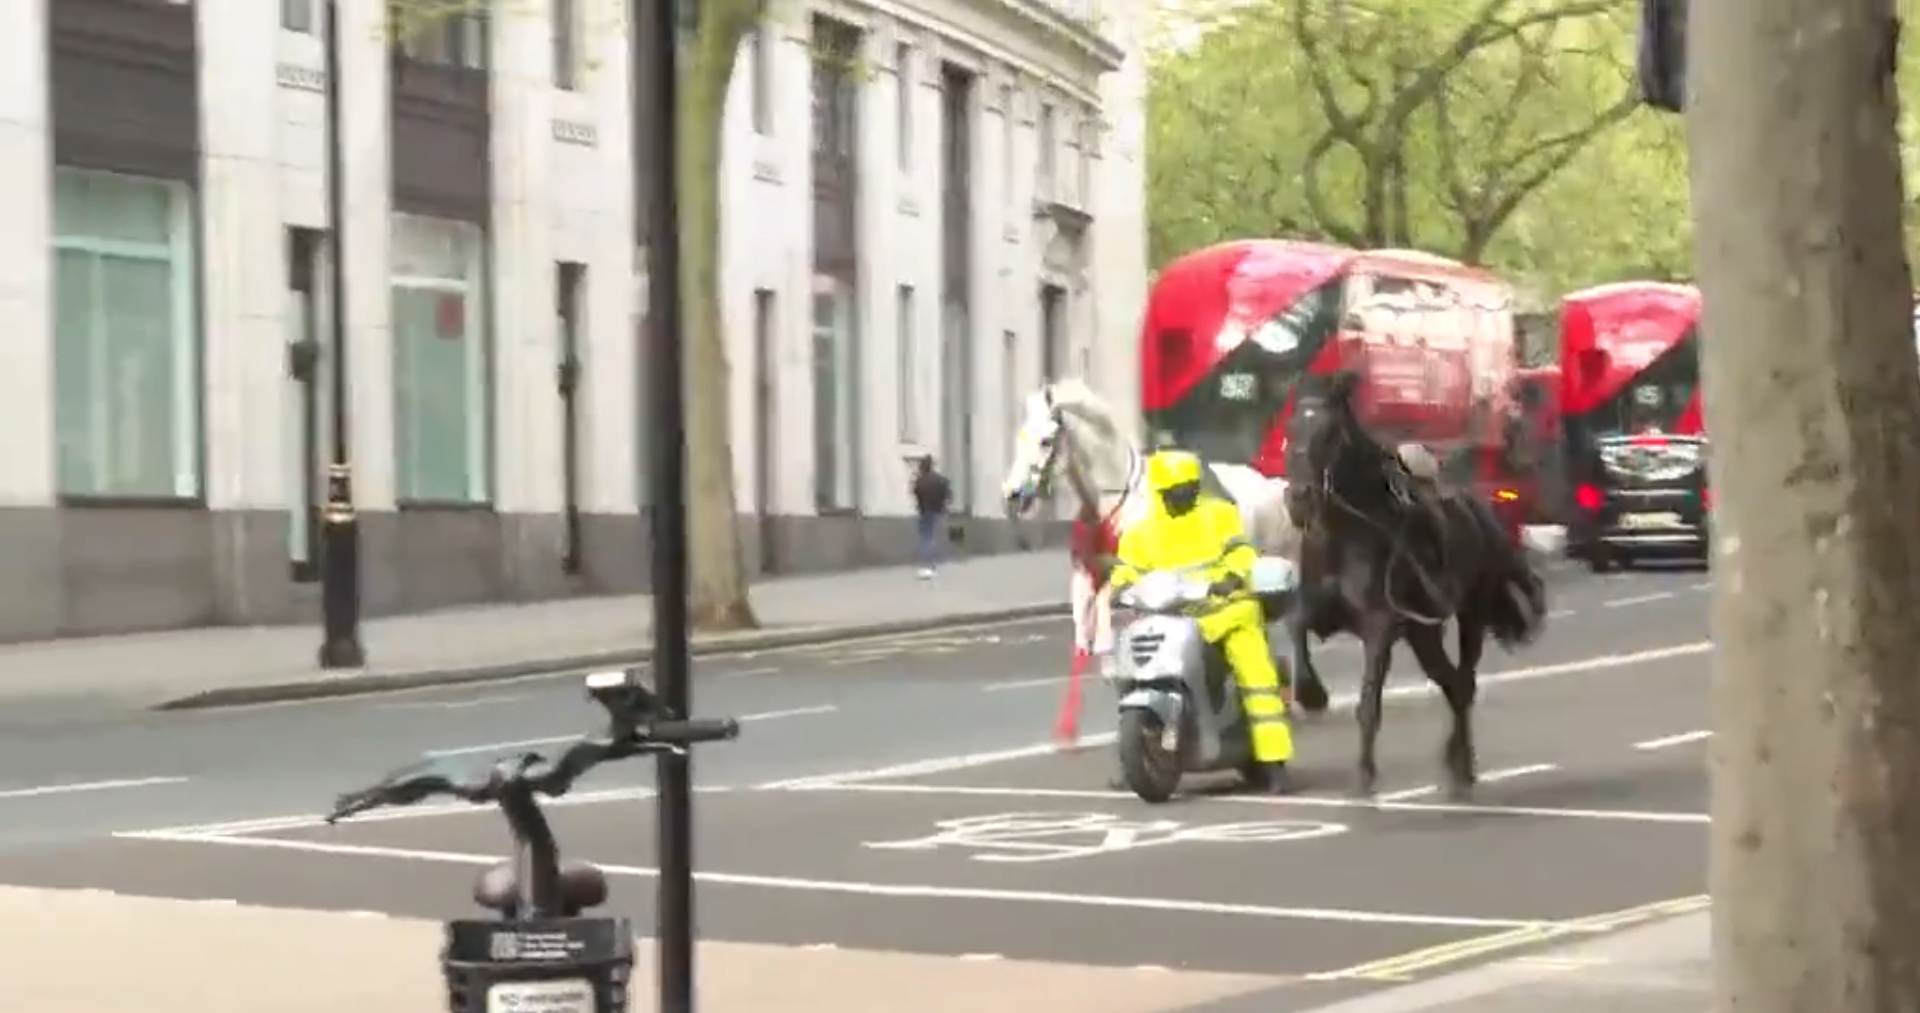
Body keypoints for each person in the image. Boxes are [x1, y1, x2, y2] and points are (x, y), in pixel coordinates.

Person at [1109, 450, 1295, 793]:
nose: (1184, 495)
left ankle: (1273, 762)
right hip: (1169, 612)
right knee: (1128, 671)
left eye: (1189, 488)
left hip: (1226, 609)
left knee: (1255, 673)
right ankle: (1134, 757)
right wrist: (1119, 585)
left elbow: (1241, 553)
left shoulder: (1221, 516)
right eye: (1176, 490)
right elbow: (1128, 567)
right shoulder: (1141, 532)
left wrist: (1234, 577)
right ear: (1159, 492)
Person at [911, 455, 953, 579]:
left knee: (926, 539)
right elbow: (949, 496)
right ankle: (933, 565)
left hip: (925, 512)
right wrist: (943, 505)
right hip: (938, 512)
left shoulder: (920, 480)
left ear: (923, 466)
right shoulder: (942, 480)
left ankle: (927, 566)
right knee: (934, 538)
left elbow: (916, 494)